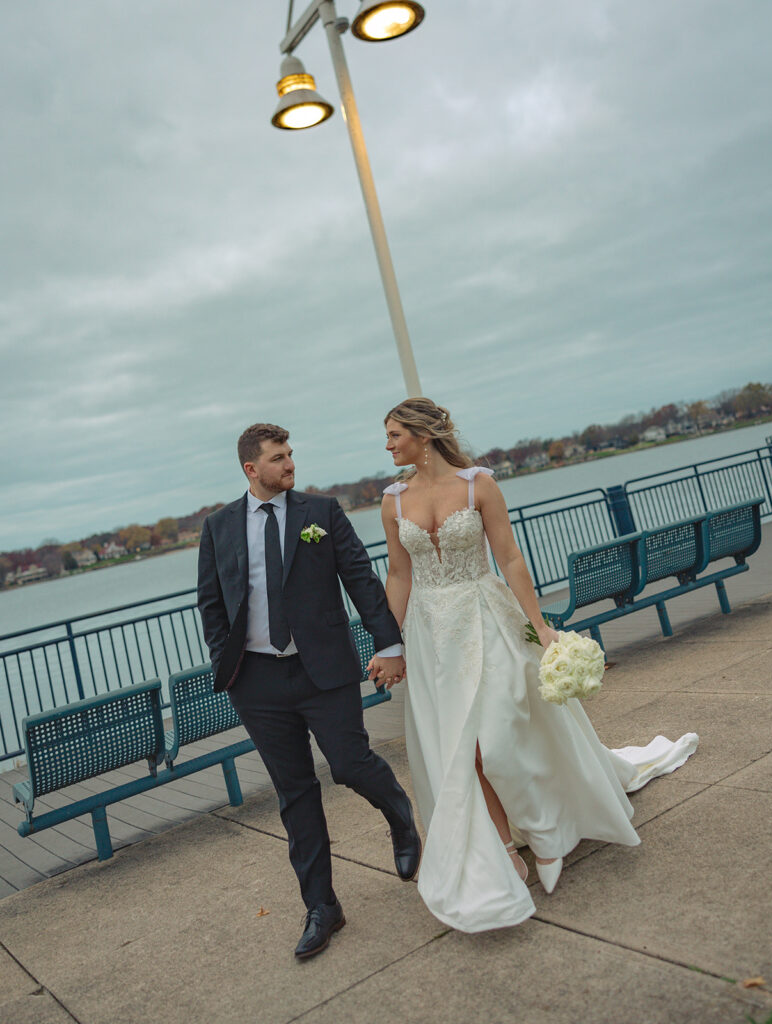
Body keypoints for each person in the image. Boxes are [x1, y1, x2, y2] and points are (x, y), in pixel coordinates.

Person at [376, 398, 698, 933]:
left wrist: (540, 625)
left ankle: (549, 835)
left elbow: (509, 558)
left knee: (498, 740)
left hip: (486, 619)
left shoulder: (479, 485)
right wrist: (392, 643)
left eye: (393, 435)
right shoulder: (392, 502)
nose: (387, 445)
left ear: (422, 436)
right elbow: (399, 575)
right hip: (431, 635)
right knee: (461, 750)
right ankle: (503, 847)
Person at [197, 422, 421, 960]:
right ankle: (322, 907)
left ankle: (401, 820)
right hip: (256, 682)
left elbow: (361, 581)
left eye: (290, 454)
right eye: (278, 458)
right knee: (295, 793)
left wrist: (389, 644)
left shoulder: (321, 513)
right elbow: (210, 602)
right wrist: (226, 667)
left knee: (349, 764)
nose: (289, 464)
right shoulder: (219, 526)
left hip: (324, 670)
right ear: (251, 469)